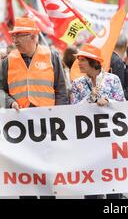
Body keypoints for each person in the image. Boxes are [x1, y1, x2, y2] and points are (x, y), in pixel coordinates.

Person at [0, 17, 68, 200]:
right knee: (25, 177)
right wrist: (9, 102)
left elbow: (61, 89)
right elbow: (1, 91)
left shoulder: (52, 56)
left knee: (46, 175)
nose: (14, 41)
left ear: (32, 37)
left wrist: (59, 119)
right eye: (13, 37)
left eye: (18, 36)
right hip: (20, 128)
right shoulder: (7, 62)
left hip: (46, 127)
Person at [70, 43, 125, 200]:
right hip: (87, 139)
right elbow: (72, 110)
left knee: (113, 183)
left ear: (93, 62)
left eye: (82, 59)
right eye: (78, 59)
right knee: (91, 183)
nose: (78, 63)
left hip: (110, 137)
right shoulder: (77, 83)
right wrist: (90, 98)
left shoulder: (112, 79)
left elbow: (123, 102)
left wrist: (108, 100)